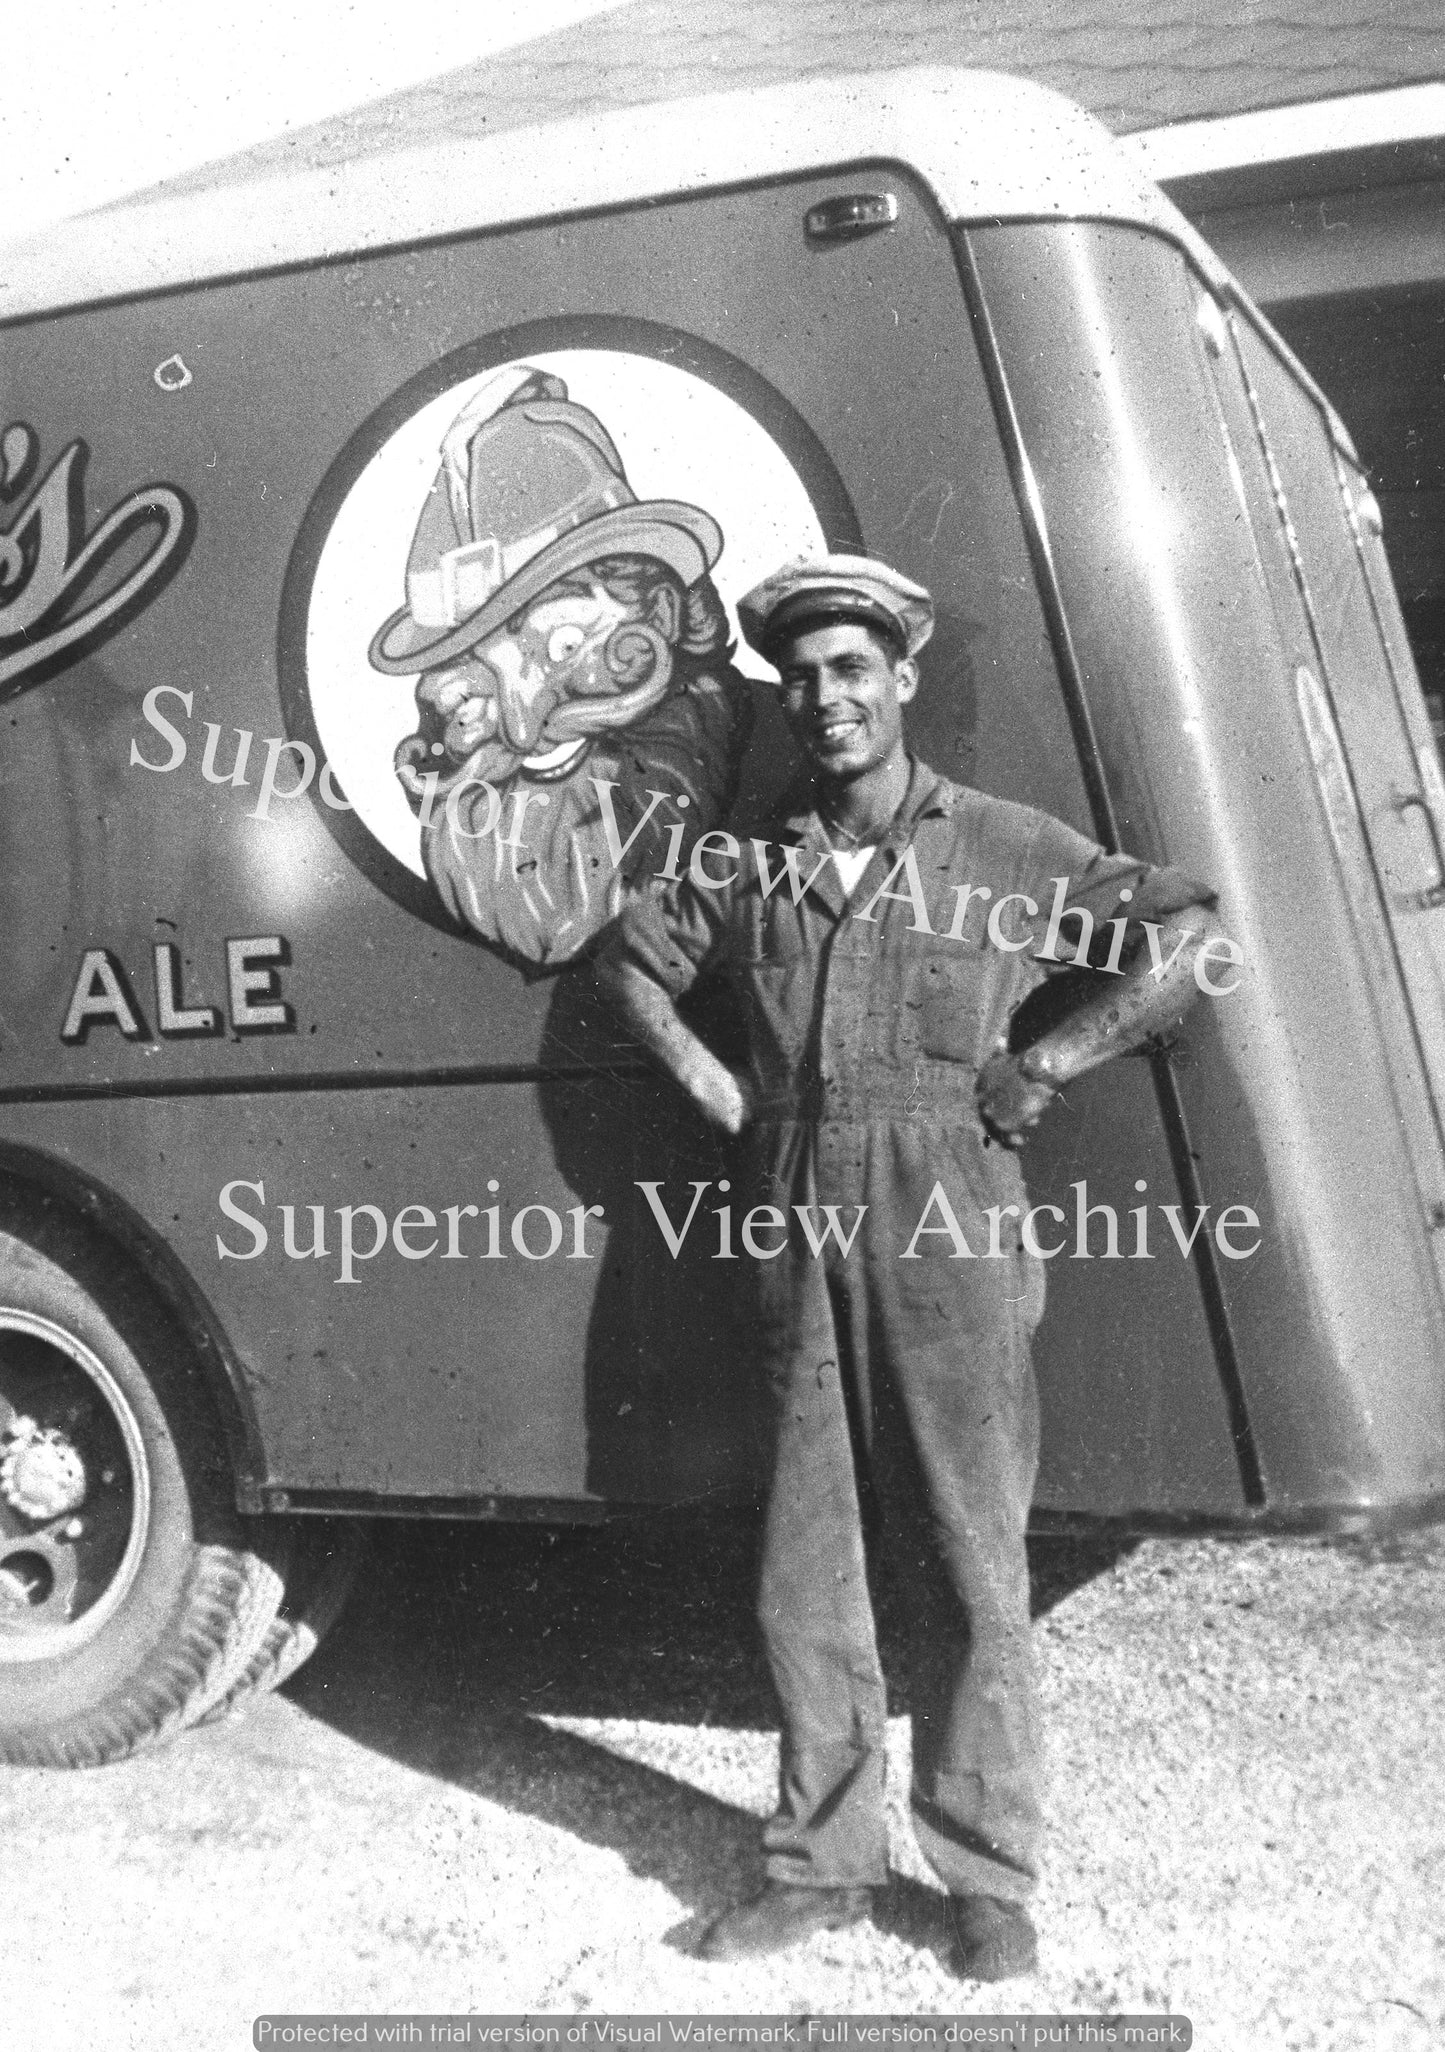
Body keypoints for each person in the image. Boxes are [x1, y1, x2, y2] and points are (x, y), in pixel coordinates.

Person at [595, 553, 1224, 1979]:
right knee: (804, 1562)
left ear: (900, 678)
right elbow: (626, 966)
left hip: (950, 1215)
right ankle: (817, 1866)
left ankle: (985, 1879)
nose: (826, 698)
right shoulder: (748, 863)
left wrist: (1051, 1056)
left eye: (850, 669)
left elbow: (1190, 937)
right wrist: (710, 1082)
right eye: (801, 676)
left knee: (965, 1555)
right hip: (788, 1217)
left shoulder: (1002, 848)